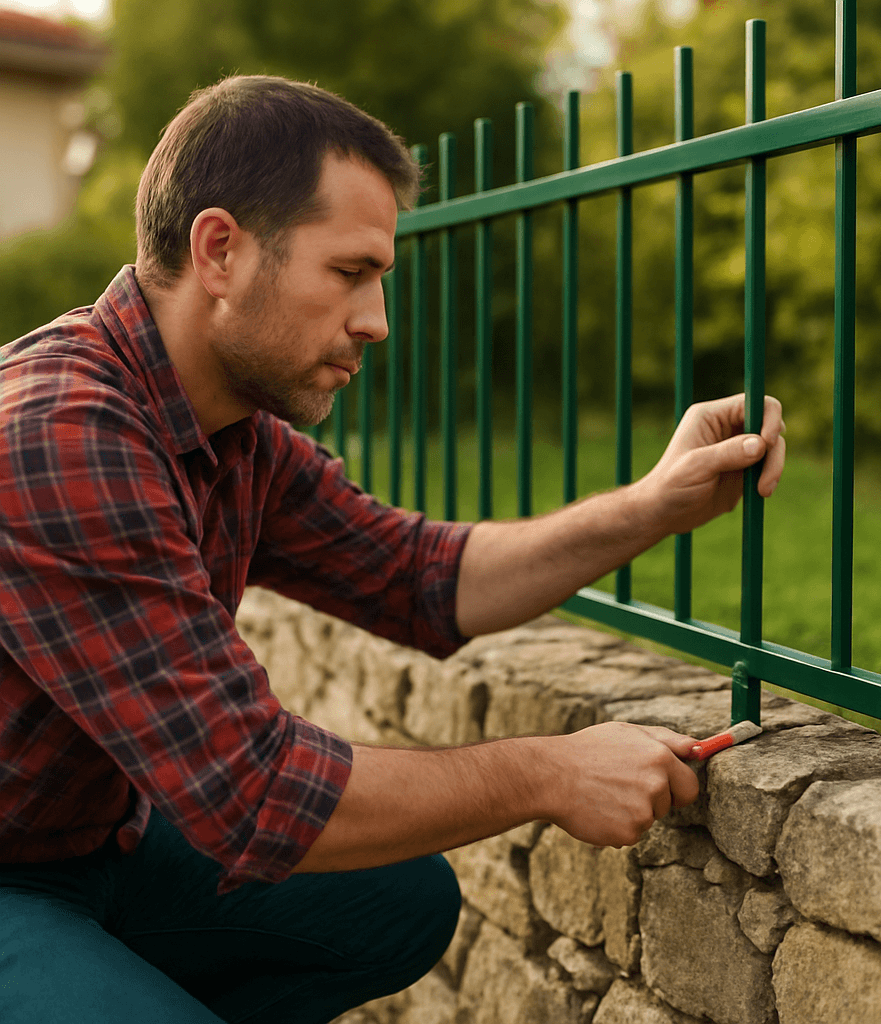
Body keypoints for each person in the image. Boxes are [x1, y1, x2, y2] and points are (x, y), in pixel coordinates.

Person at [0, 75, 786, 1024]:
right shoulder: (61, 434)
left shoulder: (228, 429)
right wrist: (548, 771)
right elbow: (256, 793)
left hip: (87, 846)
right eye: (349, 272)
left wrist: (653, 506)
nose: (376, 320)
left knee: (394, 905)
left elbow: (420, 578)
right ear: (220, 251)